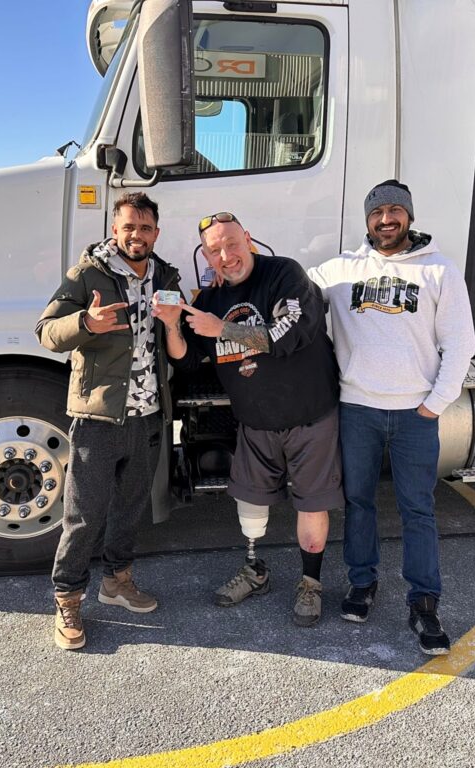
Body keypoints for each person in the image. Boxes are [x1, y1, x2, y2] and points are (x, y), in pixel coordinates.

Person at [307, 180, 475, 655]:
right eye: (378, 211)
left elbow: (461, 344)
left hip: (414, 414)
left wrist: (434, 404)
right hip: (357, 408)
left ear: (409, 216)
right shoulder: (340, 270)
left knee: (417, 509)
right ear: (367, 220)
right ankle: (362, 584)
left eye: (396, 210)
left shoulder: (440, 271)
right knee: (359, 503)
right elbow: (292, 294)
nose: (387, 219)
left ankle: (424, 602)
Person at [153, 212, 341, 627]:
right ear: (205, 255)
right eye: (215, 250)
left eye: (232, 244)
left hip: (309, 415)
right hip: (255, 423)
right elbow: (188, 364)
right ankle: (256, 572)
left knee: (310, 505)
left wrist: (224, 330)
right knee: (251, 505)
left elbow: (293, 332)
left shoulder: (284, 273)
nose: (226, 255)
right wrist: (172, 328)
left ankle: (310, 584)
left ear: (249, 240)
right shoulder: (208, 300)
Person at [35, 191, 181, 651]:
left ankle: (117, 582)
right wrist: (86, 323)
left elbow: (174, 343)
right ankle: (68, 599)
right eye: (128, 227)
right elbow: (46, 332)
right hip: (98, 417)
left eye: (145, 227)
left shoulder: (168, 275)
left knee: (131, 506)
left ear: (156, 232)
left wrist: (176, 322)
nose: (136, 235)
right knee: (83, 515)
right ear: (114, 230)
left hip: (148, 414)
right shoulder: (88, 274)